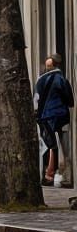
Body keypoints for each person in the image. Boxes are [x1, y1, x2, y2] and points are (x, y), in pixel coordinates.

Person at [34, 55, 73, 185]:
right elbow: (70, 100)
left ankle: (46, 175)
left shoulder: (40, 80)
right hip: (61, 116)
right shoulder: (61, 79)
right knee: (61, 146)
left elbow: (37, 99)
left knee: (47, 146)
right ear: (58, 65)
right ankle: (59, 174)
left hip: (44, 117)